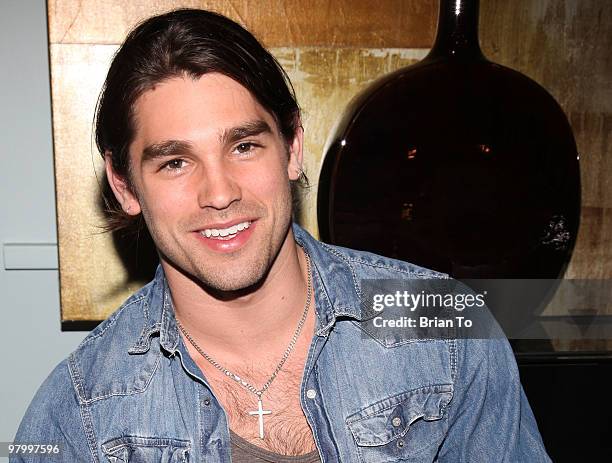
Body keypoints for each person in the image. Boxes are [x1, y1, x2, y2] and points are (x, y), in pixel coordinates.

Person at [13, 8, 551, 462]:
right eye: (175, 162)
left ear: (292, 145)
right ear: (126, 186)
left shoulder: (443, 322)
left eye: (244, 146)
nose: (219, 193)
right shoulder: (77, 415)